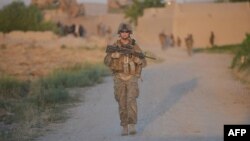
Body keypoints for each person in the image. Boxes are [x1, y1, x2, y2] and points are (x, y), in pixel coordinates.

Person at [104, 23, 147, 136]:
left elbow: (144, 62)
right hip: (119, 77)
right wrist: (113, 56)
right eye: (122, 32)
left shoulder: (134, 46)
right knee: (121, 102)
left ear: (129, 33)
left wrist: (139, 61)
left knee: (131, 101)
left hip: (132, 77)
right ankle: (124, 126)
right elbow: (106, 61)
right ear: (119, 33)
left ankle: (132, 124)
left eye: (126, 32)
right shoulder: (114, 46)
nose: (124, 34)